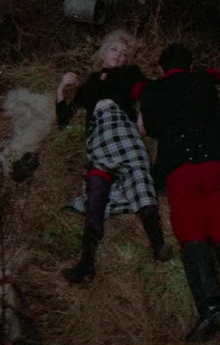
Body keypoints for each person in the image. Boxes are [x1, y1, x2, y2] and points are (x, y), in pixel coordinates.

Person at [137, 44, 220, 341]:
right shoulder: (204, 82)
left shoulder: (153, 90)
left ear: (162, 69)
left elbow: (150, 128)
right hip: (214, 167)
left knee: (192, 234)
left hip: (180, 170)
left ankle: (212, 307)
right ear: (190, 66)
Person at [55, 28, 173, 284]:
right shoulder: (89, 83)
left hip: (124, 130)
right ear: (103, 53)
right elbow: (63, 120)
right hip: (98, 135)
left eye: (124, 53)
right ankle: (86, 263)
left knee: (140, 179)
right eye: (114, 49)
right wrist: (62, 89)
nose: (119, 55)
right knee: (95, 192)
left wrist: (142, 116)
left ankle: (158, 245)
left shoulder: (130, 74)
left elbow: (150, 90)